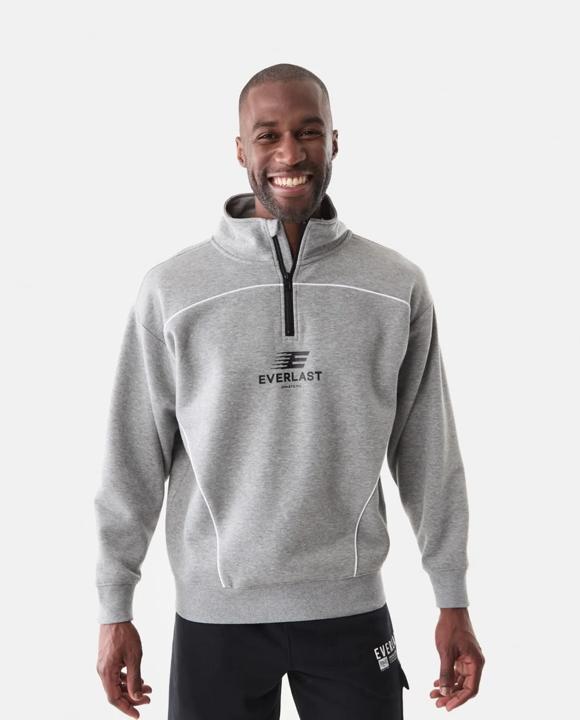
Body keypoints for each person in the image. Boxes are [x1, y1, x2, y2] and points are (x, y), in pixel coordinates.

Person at [94, 63, 484, 719]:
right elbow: (132, 455)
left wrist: (453, 597)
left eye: (308, 132)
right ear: (240, 149)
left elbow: (429, 453)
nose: (289, 154)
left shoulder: (394, 286)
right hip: (215, 618)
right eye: (267, 135)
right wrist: (115, 605)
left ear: (334, 141)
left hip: (350, 612)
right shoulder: (174, 290)